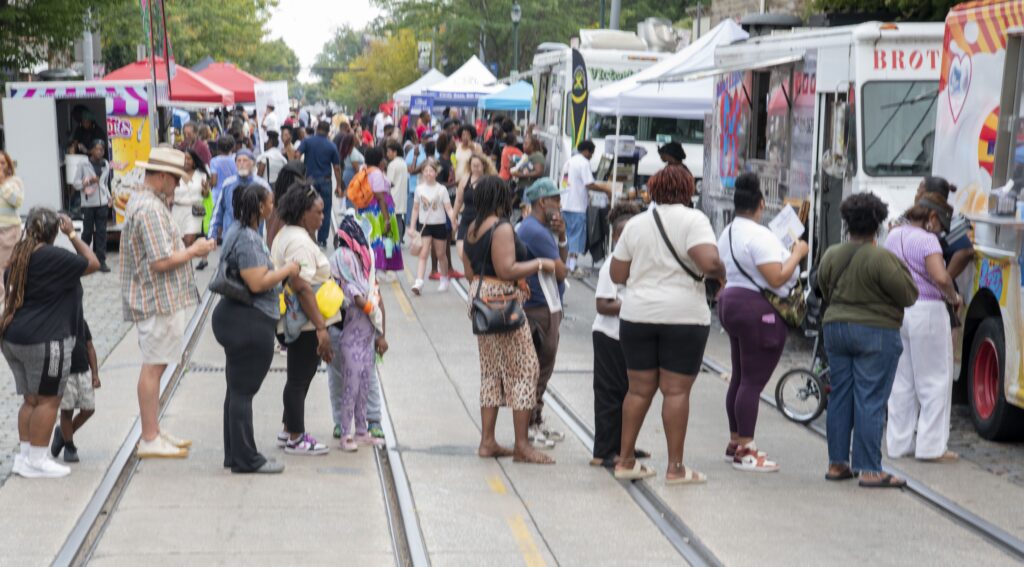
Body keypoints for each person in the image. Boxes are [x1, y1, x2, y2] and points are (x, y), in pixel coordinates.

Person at [610, 165, 726, 484]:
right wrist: (720, 269)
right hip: (684, 317)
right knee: (675, 392)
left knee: (637, 390)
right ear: (689, 191)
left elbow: (617, 275)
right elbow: (708, 262)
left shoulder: (635, 225)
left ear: (653, 191)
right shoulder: (694, 220)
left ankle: (626, 460)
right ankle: (675, 468)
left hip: (637, 315)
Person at [817, 192, 918, 488]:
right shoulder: (883, 258)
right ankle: (871, 469)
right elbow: (908, 295)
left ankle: (837, 463)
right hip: (876, 333)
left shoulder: (832, 254)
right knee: (870, 398)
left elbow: (823, 286)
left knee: (840, 395)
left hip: (836, 329)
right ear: (878, 224)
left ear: (847, 223)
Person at [122, 147, 217, 459]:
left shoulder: (148, 202)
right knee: (154, 365)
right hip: (157, 298)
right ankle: (149, 436)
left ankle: (154, 430)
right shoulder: (149, 208)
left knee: (158, 364)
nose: (178, 185)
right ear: (161, 176)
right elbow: (160, 261)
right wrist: (195, 250)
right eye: (175, 179)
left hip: (159, 297)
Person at [461, 175, 557, 465]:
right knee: (525, 370)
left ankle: (487, 441)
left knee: (491, 371)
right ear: (501, 199)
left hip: (481, 300)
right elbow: (507, 268)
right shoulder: (500, 227)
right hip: (502, 302)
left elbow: (468, 270)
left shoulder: (472, 229)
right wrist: (542, 263)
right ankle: (522, 446)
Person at [717, 173, 809, 471]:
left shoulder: (728, 231)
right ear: (760, 204)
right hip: (756, 310)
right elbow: (777, 277)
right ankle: (747, 448)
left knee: (741, 376)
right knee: (752, 382)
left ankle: (736, 440)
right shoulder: (759, 236)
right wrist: (797, 253)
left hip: (730, 302)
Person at [2, 208, 99, 478]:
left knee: (30, 400)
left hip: (14, 339)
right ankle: (38, 459)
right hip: (45, 341)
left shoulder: (19, 255)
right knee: (48, 401)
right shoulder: (53, 256)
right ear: (53, 231)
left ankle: (24, 457)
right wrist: (73, 234)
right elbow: (92, 263)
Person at [214, 184, 299, 473]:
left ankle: (234, 453)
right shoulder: (248, 239)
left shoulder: (238, 231)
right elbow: (257, 282)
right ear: (261, 207)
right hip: (248, 321)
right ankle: (246, 459)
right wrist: (287, 270)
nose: (273, 207)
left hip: (238, 318)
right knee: (243, 392)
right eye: (270, 202)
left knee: (235, 389)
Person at [885, 193, 961, 463]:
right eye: (940, 225)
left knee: (902, 380)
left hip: (900, 310)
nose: (940, 231)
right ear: (930, 218)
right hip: (928, 309)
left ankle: (898, 443)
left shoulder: (894, 235)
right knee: (935, 380)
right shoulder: (928, 241)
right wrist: (954, 297)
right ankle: (931, 447)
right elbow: (940, 276)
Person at [271, 183, 339, 455]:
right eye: (318, 212)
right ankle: (296, 437)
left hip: (298, 318)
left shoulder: (287, 234)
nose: (323, 218)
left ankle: (289, 428)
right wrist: (321, 329)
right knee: (300, 377)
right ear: (302, 214)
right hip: (306, 321)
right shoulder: (299, 241)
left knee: (298, 375)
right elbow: (302, 286)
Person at [328, 213, 389, 450]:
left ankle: (362, 429)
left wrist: (381, 332)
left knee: (363, 384)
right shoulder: (345, 267)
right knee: (349, 385)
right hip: (348, 335)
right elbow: (361, 298)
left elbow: (375, 295)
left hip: (365, 337)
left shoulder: (364, 266)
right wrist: (374, 311)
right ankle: (345, 433)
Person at [591, 201, 646, 468]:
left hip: (628, 337)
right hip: (608, 337)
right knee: (609, 395)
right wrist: (634, 305)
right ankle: (603, 450)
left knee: (629, 393)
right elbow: (603, 303)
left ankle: (625, 446)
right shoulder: (612, 264)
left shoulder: (638, 262)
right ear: (615, 237)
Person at [517, 178, 569, 448]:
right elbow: (561, 270)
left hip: (547, 303)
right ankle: (529, 425)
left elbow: (560, 263)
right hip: (539, 307)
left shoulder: (539, 228)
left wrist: (562, 236)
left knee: (542, 369)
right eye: (556, 200)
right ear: (542, 202)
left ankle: (535, 420)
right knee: (538, 369)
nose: (560, 205)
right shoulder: (534, 231)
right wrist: (558, 255)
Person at [50, 318, 98, 463]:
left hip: (83, 372)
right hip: (65, 375)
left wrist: (95, 373)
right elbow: (52, 352)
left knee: (88, 409)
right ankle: (69, 447)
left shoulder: (81, 322)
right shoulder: (54, 324)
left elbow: (89, 346)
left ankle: (62, 435)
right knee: (67, 411)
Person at [407, 159, 457, 294]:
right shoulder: (419, 189)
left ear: (436, 173)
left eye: (431, 171)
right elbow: (415, 209)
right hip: (425, 226)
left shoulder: (442, 189)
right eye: (426, 171)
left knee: (441, 254)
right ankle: (419, 282)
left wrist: (453, 220)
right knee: (423, 254)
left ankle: (444, 278)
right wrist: (412, 226)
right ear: (422, 173)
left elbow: (448, 208)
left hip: (439, 224)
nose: (428, 174)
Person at [563, 140, 611, 276]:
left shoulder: (570, 162)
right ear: (587, 151)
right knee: (576, 239)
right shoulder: (583, 163)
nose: (591, 156)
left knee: (568, 237)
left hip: (566, 204)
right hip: (576, 206)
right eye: (592, 153)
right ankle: (571, 268)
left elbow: (566, 182)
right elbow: (589, 184)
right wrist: (606, 189)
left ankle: (567, 265)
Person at [208, 149, 271, 242]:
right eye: (238, 160)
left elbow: (270, 214)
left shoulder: (262, 186)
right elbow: (218, 211)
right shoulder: (228, 184)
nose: (241, 163)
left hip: (254, 239)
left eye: (245, 160)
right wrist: (212, 236)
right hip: (230, 238)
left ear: (253, 164)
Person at [360, 148, 404, 277]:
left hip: (367, 210)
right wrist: (386, 219)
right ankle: (380, 267)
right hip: (379, 212)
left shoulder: (364, 170)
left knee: (371, 238)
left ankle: (372, 266)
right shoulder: (377, 173)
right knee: (384, 238)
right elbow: (380, 197)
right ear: (379, 160)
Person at [299, 121, 343, 246]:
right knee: (325, 209)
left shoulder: (307, 141)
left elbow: (297, 154)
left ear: (317, 128)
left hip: (309, 181)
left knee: (307, 207)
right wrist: (339, 186)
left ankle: (308, 235)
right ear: (328, 131)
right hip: (325, 181)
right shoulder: (331, 146)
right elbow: (336, 168)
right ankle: (322, 239)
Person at [72, 139, 113, 273]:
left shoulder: (105, 164)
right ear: (91, 150)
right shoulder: (83, 164)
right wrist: (89, 181)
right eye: (97, 148)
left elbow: (104, 184)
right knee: (87, 232)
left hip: (102, 203)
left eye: (102, 149)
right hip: (89, 203)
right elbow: (76, 184)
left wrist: (109, 197)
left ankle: (101, 261)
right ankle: (82, 260)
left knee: (102, 232)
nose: (100, 151)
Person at [453, 153, 496, 262]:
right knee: (460, 249)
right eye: (473, 165)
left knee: (480, 253)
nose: (475, 168)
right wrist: (453, 217)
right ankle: (471, 271)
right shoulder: (465, 180)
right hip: (466, 219)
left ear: (484, 166)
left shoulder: (490, 181)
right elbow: (458, 201)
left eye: (478, 165)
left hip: (483, 220)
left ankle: (476, 274)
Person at [172, 149, 210, 248]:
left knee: (189, 241)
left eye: (188, 159)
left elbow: (205, 195)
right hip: (177, 210)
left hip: (195, 210)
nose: (186, 161)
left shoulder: (201, 175)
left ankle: (186, 260)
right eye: (183, 159)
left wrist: (206, 190)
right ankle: (184, 261)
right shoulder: (174, 174)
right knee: (178, 241)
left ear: (193, 161)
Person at [0, 151, 23, 309]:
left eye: (2, 162)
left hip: (8, 232)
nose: (0, 166)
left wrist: (3, 183)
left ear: (8, 165)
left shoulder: (13, 182)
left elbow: (17, 202)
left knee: (7, 268)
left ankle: (8, 305)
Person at [386, 141, 410, 236]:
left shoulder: (392, 165)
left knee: (392, 219)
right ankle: (399, 239)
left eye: (389, 151)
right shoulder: (403, 163)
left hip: (393, 195)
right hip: (402, 196)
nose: (387, 154)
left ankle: (395, 239)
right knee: (399, 219)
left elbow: (389, 182)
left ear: (394, 152)